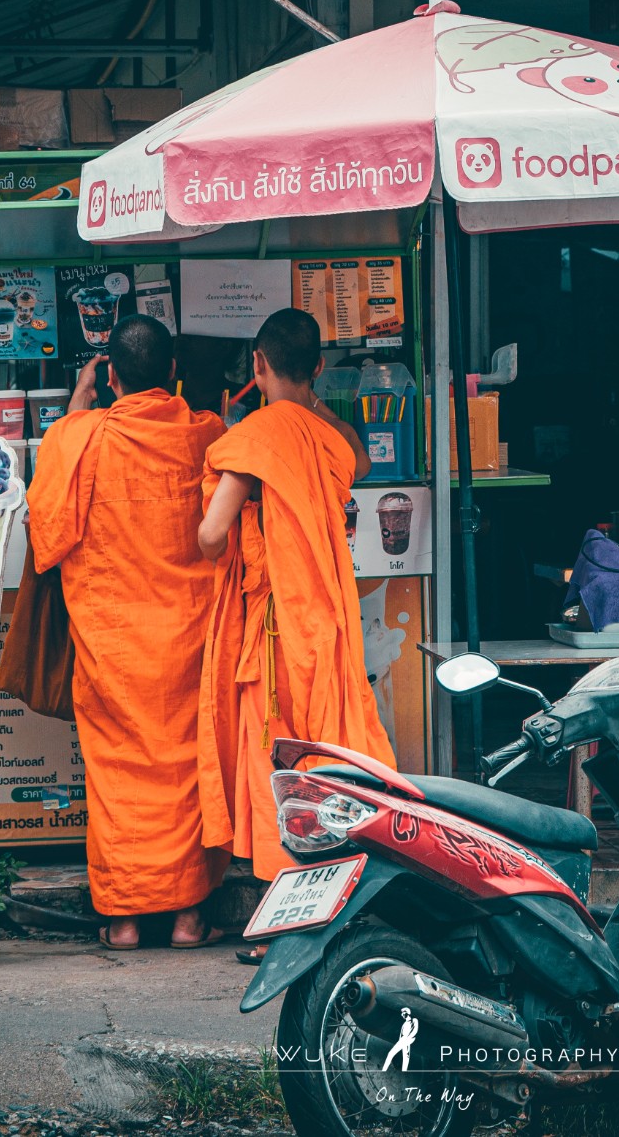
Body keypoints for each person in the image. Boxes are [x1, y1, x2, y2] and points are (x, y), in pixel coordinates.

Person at [195, 310, 397, 952]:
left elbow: (209, 533)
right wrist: (310, 399)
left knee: (276, 764)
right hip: (327, 627)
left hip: (278, 633)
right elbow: (358, 459)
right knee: (329, 753)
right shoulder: (324, 437)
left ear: (257, 365)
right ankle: (336, 898)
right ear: (316, 367)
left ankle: (287, 917)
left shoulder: (255, 436)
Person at [27, 315, 229, 950]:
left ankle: (124, 920)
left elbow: (44, 537)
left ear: (110, 375)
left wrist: (77, 405)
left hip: (112, 644)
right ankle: (190, 918)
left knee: (117, 778)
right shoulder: (206, 432)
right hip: (188, 641)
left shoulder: (76, 438)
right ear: (172, 374)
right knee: (186, 771)